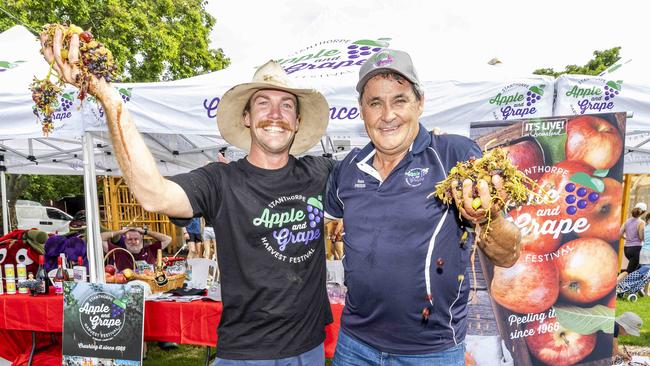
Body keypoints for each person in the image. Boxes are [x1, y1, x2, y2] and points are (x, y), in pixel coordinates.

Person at [41, 31, 334, 365]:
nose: (275, 114)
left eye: (287, 106)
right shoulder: (220, 181)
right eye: (263, 103)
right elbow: (154, 194)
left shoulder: (319, 173)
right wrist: (111, 100)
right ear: (247, 118)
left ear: (297, 121)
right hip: (247, 353)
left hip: (309, 348)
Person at [325, 49, 521, 365]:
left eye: (399, 100)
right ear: (363, 111)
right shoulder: (348, 167)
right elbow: (328, 220)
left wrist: (489, 218)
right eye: (375, 103)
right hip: (355, 345)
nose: (387, 114)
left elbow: (508, 255)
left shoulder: (455, 156)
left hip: (432, 351)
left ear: (420, 103)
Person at [100, 227, 172, 271]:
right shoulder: (118, 252)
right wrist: (119, 232)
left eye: (136, 239)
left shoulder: (150, 250)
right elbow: (100, 238)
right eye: (130, 239)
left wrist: (145, 232)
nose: (133, 242)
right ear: (125, 241)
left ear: (141, 240)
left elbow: (167, 239)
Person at [620, 202, 647, 275]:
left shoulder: (627, 221)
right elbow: (641, 237)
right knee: (629, 271)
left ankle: (634, 286)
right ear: (643, 212)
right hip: (636, 249)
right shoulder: (641, 222)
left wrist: (627, 238)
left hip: (627, 250)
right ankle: (617, 282)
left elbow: (620, 233)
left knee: (638, 270)